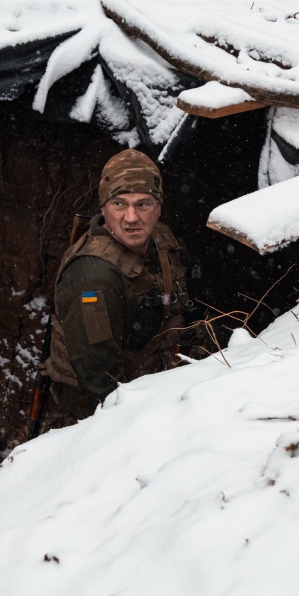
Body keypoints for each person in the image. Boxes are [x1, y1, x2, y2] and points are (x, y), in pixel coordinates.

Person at [42, 148, 201, 422]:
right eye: (119, 204)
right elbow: (101, 381)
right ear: (103, 208)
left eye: (143, 204)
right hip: (96, 416)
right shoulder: (93, 276)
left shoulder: (161, 238)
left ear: (159, 208)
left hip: (159, 388)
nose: (132, 218)